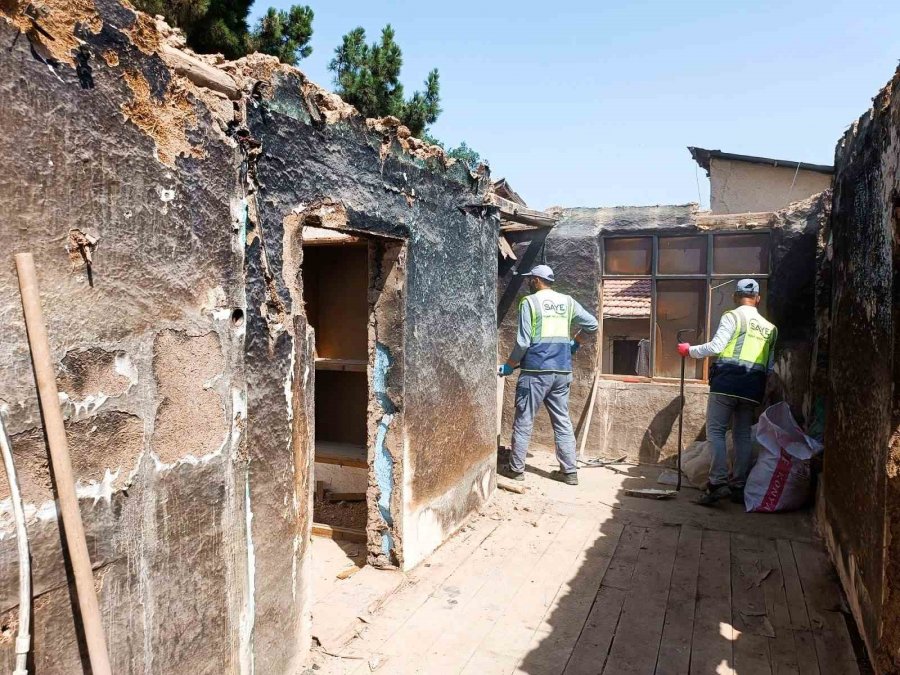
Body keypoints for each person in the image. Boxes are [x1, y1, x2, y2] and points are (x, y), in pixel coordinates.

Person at [678, 279, 777, 506]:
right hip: (753, 388)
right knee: (741, 434)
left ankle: (718, 483)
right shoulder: (771, 329)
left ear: (735, 297)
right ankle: (738, 486)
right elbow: (770, 367)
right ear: (758, 299)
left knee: (716, 432)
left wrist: (689, 350)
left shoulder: (732, 317)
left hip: (727, 384)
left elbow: (716, 347)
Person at [498, 265, 598, 485]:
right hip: (562, 371)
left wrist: (509, 365)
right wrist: (576, 343)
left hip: (535, 372)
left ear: (535, 280)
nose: (528, 283)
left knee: (524, 420)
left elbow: (523, 341)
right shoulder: (568, 301)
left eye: (529, 280)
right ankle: (569, 472)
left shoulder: (530, 302)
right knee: (562, 421)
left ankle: (516, 469)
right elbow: (592, 324)